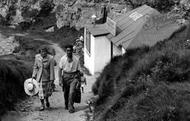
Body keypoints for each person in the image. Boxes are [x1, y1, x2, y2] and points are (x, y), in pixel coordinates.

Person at [58, 44, 83, 113]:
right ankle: (66, 104)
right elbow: (60, 69)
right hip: (65, 77)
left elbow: (79, 70)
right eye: (67, 50)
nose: (69, 52)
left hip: (74, 77)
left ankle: (70, 106)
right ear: (66, 51)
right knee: (66, 92)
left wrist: (81, 76)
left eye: (70, 50)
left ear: (72, 51)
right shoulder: (62, 59)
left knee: (72, 92)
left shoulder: (76, 59)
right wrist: (60, 79)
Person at [32, 46, 55, 111]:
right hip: (39, 78)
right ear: (40, 52)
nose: (43, 53)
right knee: (40, 92)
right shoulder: (37, 57)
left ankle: (47, 100)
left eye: (44, 51)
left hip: (47, 77)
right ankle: (42, 104)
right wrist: (33, 75)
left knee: (46, 92)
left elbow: (52, 70)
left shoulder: (50, 58)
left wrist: (52, 79)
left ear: (46, 52)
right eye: (42, 51)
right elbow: (35, 67)